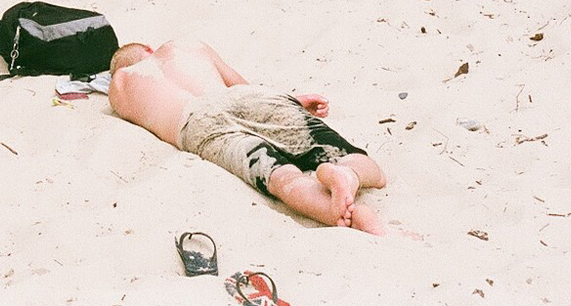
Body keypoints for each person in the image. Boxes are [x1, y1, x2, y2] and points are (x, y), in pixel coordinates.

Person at [107, 39, 388, 235]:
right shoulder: (184, 45)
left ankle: (344, 215)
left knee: (282, 178)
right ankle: (349, 174)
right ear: (149, 48)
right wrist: (294, 100)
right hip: (248, 97)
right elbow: (240, 85)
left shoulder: (120, 83)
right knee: (349, 155)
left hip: (197, 121)